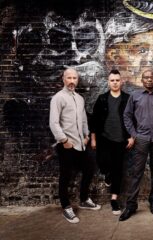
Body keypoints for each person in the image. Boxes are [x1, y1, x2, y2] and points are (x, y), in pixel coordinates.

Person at [49, 68, 101, 224]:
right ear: (63, 79)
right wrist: (64, 141)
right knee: (66, 176)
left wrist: (86, 136)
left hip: (81, 144)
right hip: (66, 145)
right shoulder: (58, 98)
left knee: (89, 169)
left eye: (74, 78)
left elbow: (84, 119)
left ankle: (84, 199)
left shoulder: (79, 98)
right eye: (69, 78)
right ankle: (66, 207)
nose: (72, 81)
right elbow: (53, 122)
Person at [119, 70, 153, 221]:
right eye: (146, 77)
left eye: (151, 77)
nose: (149, 80)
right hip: (141, 139)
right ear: (142, 80)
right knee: (137, 173)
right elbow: (127, 115)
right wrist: (134, 134)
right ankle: (131, 206)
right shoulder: (134, 96)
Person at [90, 69, 133, 215]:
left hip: (121, 140)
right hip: (104, 139)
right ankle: (107, 174)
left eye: (117, 80)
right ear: (108, 82)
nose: (115, 83)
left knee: (118, 170)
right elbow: (94, 120)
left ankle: (114, 200)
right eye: (112, 80)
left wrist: (132, 136)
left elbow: (133, 119)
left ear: (121, 82)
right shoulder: (102, 98)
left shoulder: (127, 98)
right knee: (104, 163)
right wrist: (93, 138)